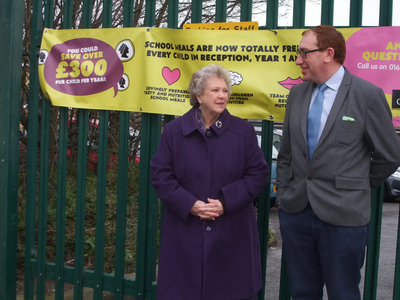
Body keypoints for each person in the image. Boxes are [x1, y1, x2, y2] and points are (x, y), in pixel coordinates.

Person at [276, 25, 400, 300]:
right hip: (297, 212)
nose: (298, 60)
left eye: (303, 53)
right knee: (302, 293)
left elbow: (389, 155)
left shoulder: (366, 95)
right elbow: (285, 154)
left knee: (343, 294)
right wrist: (284, 195)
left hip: (344, 218)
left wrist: (356, 185)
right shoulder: (297, 95)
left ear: (328, 54)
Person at [151, 64, 269, 300]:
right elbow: (160, 175)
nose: (222, 96)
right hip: (185, 233)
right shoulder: (174, 131)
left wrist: (225, 202)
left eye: (225, 90)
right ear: (199, 95)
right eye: (215, 90)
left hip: (231, 234)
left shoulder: (243, 131)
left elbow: (258, 174)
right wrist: (189, 204)